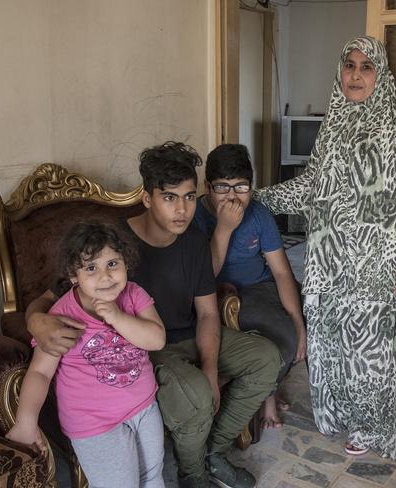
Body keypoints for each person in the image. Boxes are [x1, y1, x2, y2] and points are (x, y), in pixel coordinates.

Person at [27, 141, 281, 488]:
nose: (182, 209)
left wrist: (209, 367)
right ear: (147, 198)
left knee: (267, 358)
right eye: (169, 197)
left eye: (190, 197)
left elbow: (208, 314)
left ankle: (214, 453)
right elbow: (47, 299)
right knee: (196, 398)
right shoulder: (113, 245)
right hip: (146, 348)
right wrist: (35, 321)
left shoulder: (193, 241)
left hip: (190, 335)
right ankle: (193, 476)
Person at [253, 36, 396, 461]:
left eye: (366, 67)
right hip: (330, 257)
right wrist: (258, 198)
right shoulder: (333, 125)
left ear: (380, 74)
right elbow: (312, 189)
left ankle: (371, 427)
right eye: (349, 65)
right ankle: (336, 413)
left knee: (371, 350)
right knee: (332, 340)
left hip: (377, 260)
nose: (355, 74)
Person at [7, 221, 167, 488]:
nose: (105, 276)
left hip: (143, 407)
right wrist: (26, 421)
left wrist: (117, 317)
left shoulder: (134, 295)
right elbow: (40, 372)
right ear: (73, 275)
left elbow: (157, 339)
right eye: (91, 268)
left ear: (126, 264)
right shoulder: (61, 316)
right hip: (95, 423)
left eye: (113, 264)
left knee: (152, 476)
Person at [193, 143, 307, 429]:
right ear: (208, 188)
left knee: (296, 334)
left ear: (251, 187)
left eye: (241, 187)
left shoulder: (258, 214)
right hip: (217, 293)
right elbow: (205, 276)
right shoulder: (195, 215)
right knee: (278, 340)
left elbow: (281, 272)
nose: (233, 197)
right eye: (222, 187)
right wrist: (224, 228)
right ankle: (266, 394)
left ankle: (269, 390)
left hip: (259, 286)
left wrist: (298, 322)